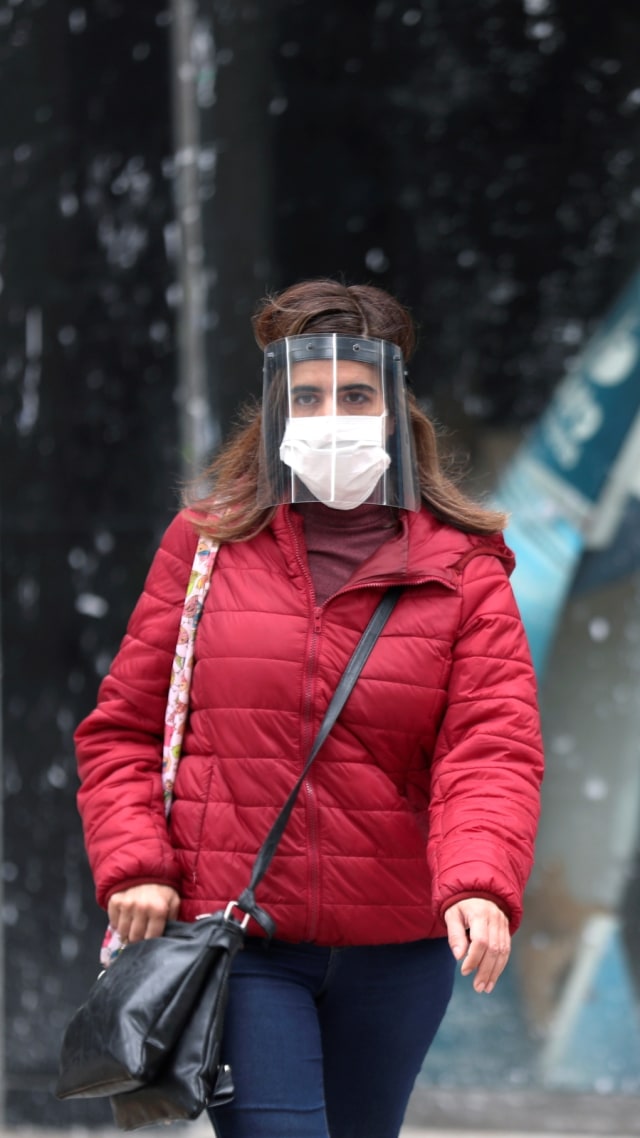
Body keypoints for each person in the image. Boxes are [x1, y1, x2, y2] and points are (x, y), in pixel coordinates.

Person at [74, 278, 544, 1138]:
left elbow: (490, 748)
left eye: (357, 395)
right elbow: (125, 730)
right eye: (310, 395)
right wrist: (136, 862)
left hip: (397, 951)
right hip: (241, 938)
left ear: (396, 408)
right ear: (277, 408)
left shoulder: (464, 566)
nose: (334, 416)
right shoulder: (207, 545)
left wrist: (478, 881)